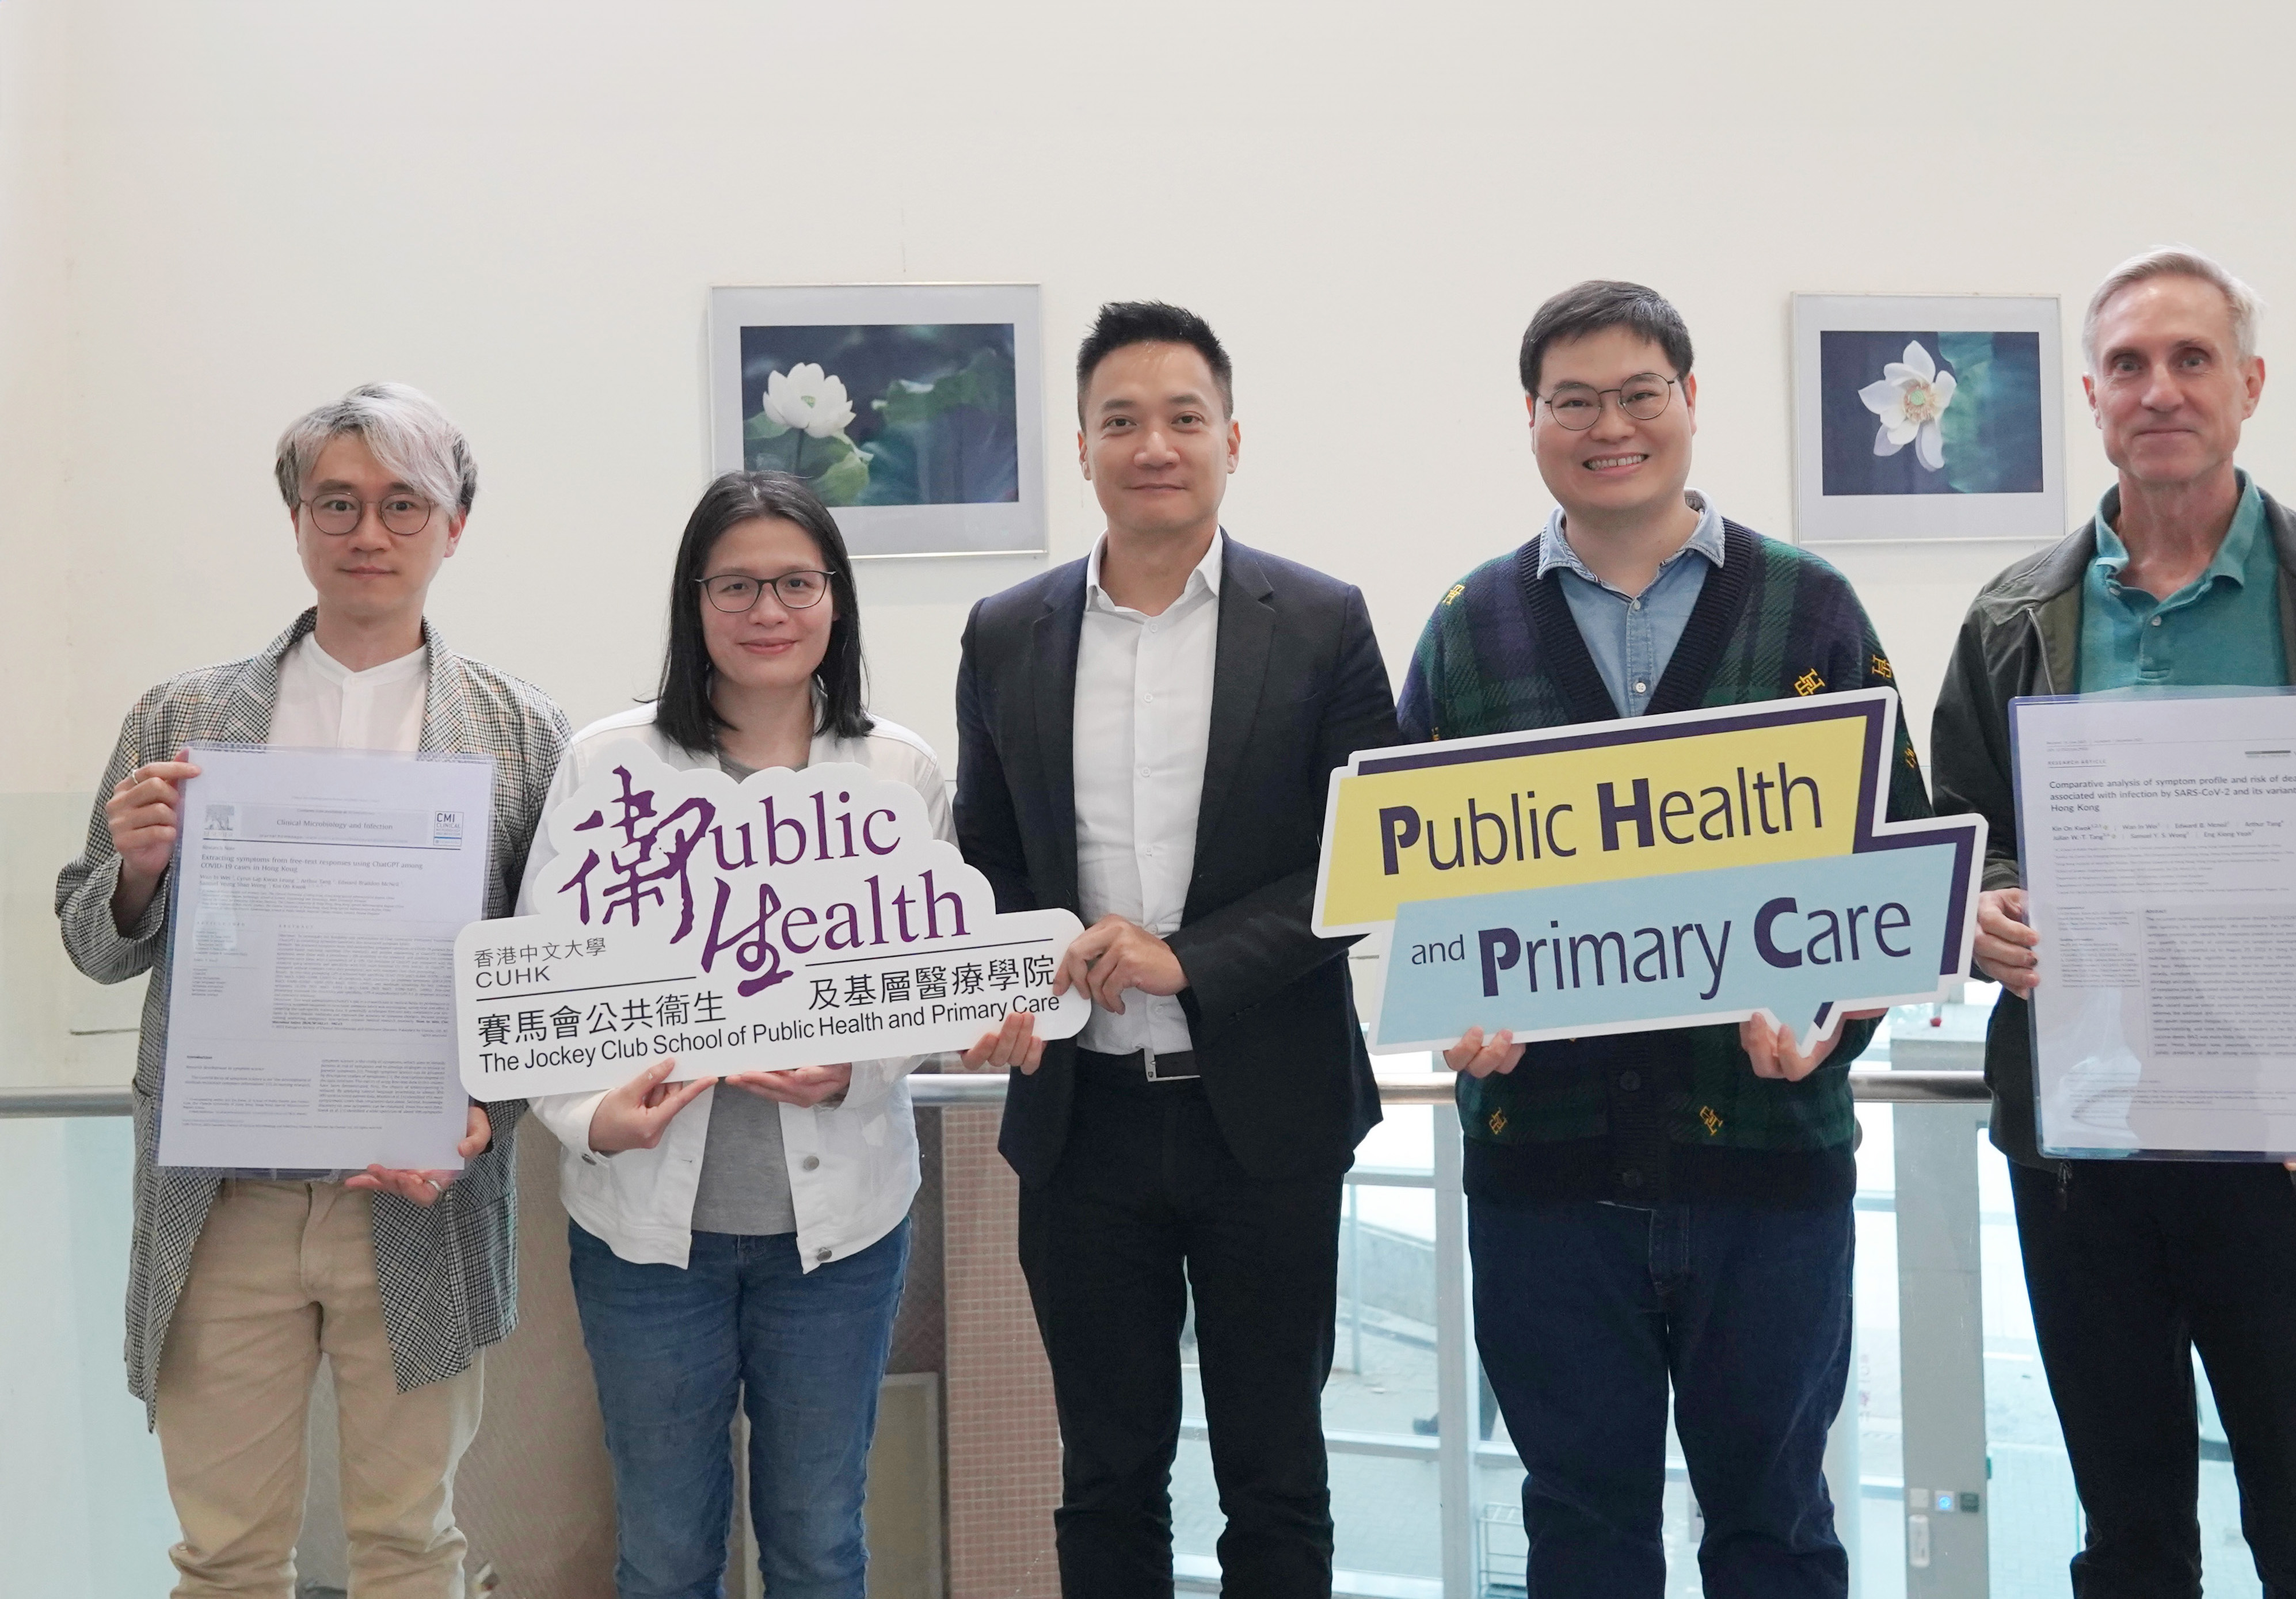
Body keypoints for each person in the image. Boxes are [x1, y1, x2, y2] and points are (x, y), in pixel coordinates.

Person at [1929, 245, 2296, 1596]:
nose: (2159, 390)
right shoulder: (2008, 623)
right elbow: (1956, 860)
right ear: (2089, 396)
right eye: (2130, 366)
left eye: (2190, 360)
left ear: (2247, 386)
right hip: (2084, 1163)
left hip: (2294, 1155)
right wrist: (1983, 915)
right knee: (2128, 1540)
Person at [1396, 281, 1929, 1598]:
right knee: (1578, 1536)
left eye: (1638, 393)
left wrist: (1832, 1013)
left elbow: (1898, 869)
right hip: (1544, 1184)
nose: (1608, 425)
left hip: (1767, 1170)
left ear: (1690, 402)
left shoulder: (1809, 607)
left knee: (1776, 1535)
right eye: (1571, 400)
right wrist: (1451, 1002)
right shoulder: (1468, 627)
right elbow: (1408, 884)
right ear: (1530, 419)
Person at [55, 383, 567, 1598]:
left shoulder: (521, 731)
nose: (368, 533)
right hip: (223, 1198)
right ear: (295, 521)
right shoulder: (181, 718)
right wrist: (134, 871)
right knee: (224, 1554)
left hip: (416, 1193)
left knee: (409, 1546)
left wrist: (488, 1115)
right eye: (336, 502)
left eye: (403, 504)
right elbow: (96, 944)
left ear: (456, 526)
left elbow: (548, 976)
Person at [951, 300, 1400, 1597]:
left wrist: (1189, 960)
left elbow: (1361, 863)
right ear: (1081, 448)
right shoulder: (1006, 631)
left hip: (1264, 1116)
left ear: (1231, 438)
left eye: (1183, 417)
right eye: (1121, 421)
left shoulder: (1319, 621)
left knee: (1274, 1476)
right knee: (1103, 1474)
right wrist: (996, 979)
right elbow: (987, 859)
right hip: (1079, 1124)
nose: (1155, 443)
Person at [521, 471, 940, 1598]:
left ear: (836, 599)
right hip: (647, 1238)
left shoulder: (898, 772)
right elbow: (539, 990)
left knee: (818, 1542)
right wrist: (590, 1121)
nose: (768, 611)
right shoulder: (608, 765)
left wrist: (854, 1062)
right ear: (692, 601)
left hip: (839, 1240)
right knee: (662, 1550)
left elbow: (927, 984)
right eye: (738, 585)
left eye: (796, 583)